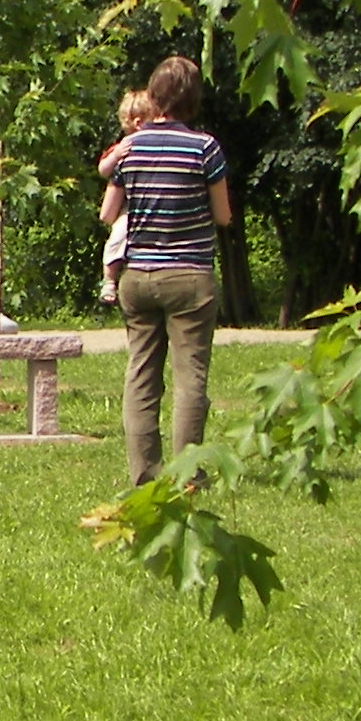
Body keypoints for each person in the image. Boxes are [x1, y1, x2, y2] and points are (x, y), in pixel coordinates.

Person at [98, 55, 233, 486]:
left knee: (141, 375)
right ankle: (186, 474)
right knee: (190, 377)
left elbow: (109, 212)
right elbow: (224, 215)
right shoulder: (204, 147)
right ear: (193, 99)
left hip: (137, 275)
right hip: (190, 275)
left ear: (153, 97)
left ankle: (145, 475)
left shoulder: (131, 147)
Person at [95, 88, 161, 305]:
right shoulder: (123, 147)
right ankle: (109, 279)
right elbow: (103, 169)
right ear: (139, 123)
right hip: (126, 207)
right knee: (117, 237)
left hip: (141, 203)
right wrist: (115, 156)